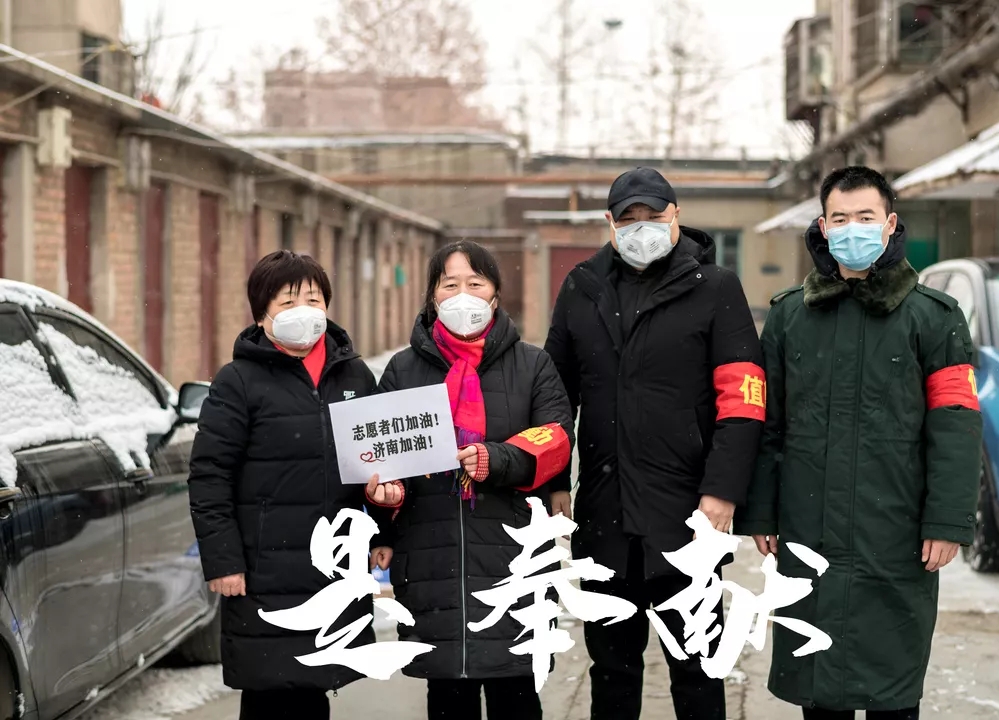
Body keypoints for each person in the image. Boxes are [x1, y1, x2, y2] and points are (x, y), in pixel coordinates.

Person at [740, 166, 983, 720]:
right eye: (841, 218)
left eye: (866, 217)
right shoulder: (789, 316)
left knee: (891, 691)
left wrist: (948, 520)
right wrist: (761, 510)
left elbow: (956, 424)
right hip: (809, 529)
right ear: (824, 227)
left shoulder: (934, 318)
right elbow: (768, 425)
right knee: (819, 690)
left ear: (890, 223)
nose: (853, 228)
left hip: (894, 533)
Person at [543, 167, 765, 720]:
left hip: (687, 515)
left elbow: (743, 399)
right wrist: (554, 480)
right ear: (610, 223)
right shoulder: (582, 288)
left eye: (653, 216)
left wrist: (722, 489)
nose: (641, 228)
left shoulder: (715, 288)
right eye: (629, 219)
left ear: (676, 216)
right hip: (605, 514)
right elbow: (554, 397)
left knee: (697, 667)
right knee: (611, 672)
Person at [187, 250, 401, 720]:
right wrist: (224, 561)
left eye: (313, 299)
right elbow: (210, 476)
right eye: (287, 302)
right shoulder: (238, 381)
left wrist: (382, 528)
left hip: (332, 565)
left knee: (313, 688)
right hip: (264, 570)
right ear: (261, 314)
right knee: (268, 691)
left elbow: (378, 465)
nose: (303, 311)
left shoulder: (353, 375)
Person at [377, 240, 575, 720]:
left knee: (515, 692)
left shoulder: (532, 364)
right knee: (448, 695)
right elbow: (383, 455)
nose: (462, 295)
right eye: (450, 284)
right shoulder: (404, 369)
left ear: (495, 294)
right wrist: (387, 497)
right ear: (432, 295)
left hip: (513, 555)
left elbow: (555, 438)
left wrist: (496, 459)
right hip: (432, 556)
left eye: (475, 283)